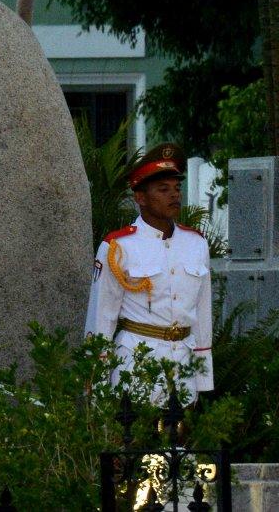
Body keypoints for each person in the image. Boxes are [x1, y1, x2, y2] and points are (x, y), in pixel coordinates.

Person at [84, 142, 213, 403]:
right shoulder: (118, 247)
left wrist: (204, 381)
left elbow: (202, 314)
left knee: (180, 441)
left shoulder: (196, 244)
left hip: (184, 369)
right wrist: (96, 389)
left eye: (177, 188)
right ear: (140, 197)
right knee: (137, 441)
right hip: (137, 367)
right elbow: (101, 319)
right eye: (163, 189)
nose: (174, 195)